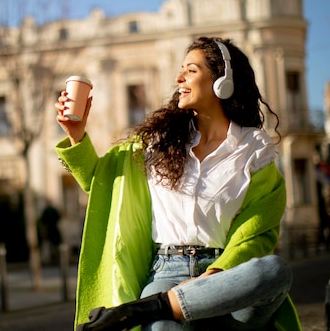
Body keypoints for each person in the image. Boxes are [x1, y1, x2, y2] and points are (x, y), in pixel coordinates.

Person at [54, 36, 301, 331]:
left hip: (227, 280)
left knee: (275, 270)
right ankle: (156, 308)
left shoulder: (254, 149)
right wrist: (76, 134)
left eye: (191, 70)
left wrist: (213, 277)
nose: (179, 77)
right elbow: (102, 184)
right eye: (181, 70)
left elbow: (257, 236)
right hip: (165, 273)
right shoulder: (155, 145)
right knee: (161, 329)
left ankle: (142, 311)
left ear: (222, 80)